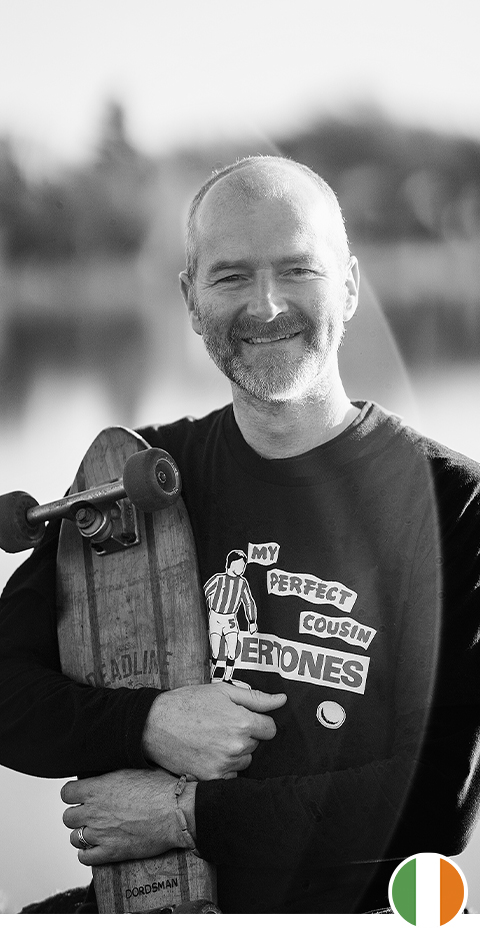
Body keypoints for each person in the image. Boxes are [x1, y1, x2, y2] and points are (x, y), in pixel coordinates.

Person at [1, 155, 480, 914]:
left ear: (349, 286)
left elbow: (435, 801)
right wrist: (147, 725)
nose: (266, 304)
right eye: (230, 277)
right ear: (191, 300)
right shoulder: (137, 478)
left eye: (297, 270)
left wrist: (184, 815)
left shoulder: (452, 501)